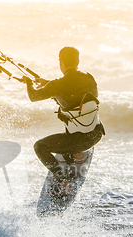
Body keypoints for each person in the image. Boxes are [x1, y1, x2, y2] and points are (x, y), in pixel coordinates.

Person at [21, 46, 105, 181]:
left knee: (40, 147)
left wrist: (29, 83)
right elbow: (73, 91)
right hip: (96, 134)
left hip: (79, 141)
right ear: (78, 62)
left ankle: (63, 180)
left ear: (60, 62)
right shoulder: (89, 78)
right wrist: (47, 84)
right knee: (74, 116)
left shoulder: (57, 85)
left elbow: (33, 96)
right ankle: (77, 155)